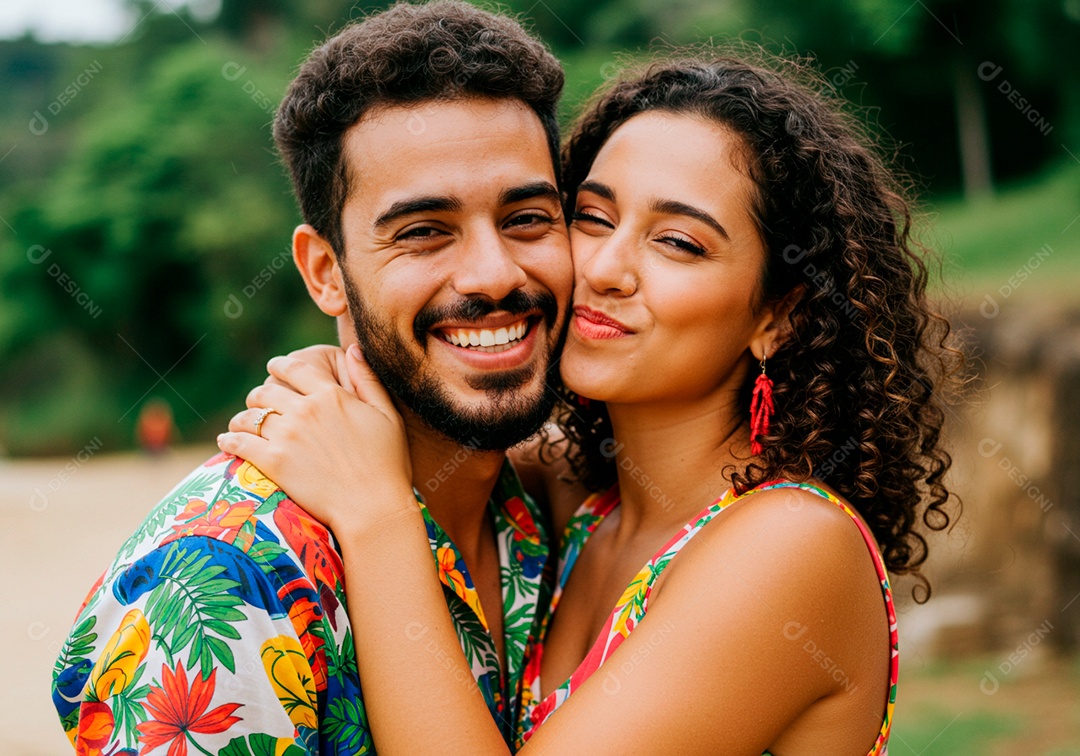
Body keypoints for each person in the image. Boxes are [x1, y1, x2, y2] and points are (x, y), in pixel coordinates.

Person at [218, 51, 959, 753]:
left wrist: (377, 519)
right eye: (593, 218)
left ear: (779, 316)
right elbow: (436, 437)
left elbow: (386, 488)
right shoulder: (573, 497)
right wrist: (334, 378)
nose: (604, 267)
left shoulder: (792, 546)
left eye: (677, 242)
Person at [50, 3, 573, 753]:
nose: (494, 275)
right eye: (424, 232)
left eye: (526, 218)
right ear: (325, 271)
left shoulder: (543, 513)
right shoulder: (225, 582)